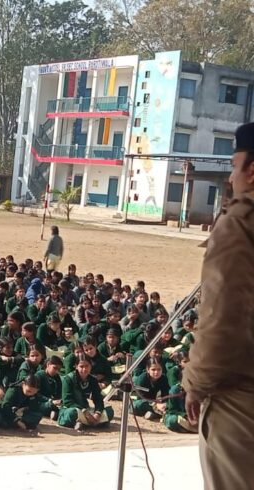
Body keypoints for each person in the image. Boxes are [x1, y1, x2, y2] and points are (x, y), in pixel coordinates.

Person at [183, 122, 254, 490]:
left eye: (234, 165)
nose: (230, 177)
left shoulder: (240, 225)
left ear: (252, 170)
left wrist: (196, 383)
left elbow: (222, 319)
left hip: (242, 402)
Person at [58, 355, 114, 431]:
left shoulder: (93, 380)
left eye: (87, 366)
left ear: (91, 366)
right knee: (72, 414)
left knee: (109, 411)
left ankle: (85, 422)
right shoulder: (68, 379)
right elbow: (67, 401)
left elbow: (98, 399)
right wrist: (85, 412)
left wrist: (97, 413)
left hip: (86, 410)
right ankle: (96, 423)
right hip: (74, 409)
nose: (84, 369)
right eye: (81, 366)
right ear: (76, 366)